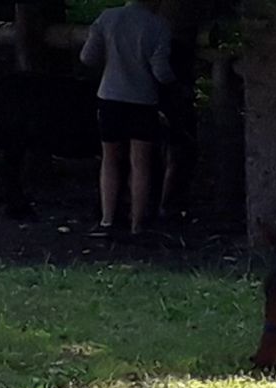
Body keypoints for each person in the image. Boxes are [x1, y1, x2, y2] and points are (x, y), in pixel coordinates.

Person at [80, 0, 174, 239]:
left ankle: (107, 220)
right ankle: (137, 224)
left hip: (110, 98)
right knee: (140, 163)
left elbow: (88, 57)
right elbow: (160, 71)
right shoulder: (159, 26)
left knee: (109, 159)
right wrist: (176, 84)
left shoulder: (107, 18)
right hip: (143, 102)